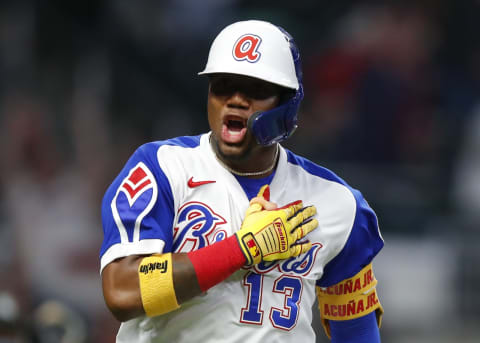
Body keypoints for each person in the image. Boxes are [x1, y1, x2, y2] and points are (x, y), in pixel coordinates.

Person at [100, 20, 384, 342]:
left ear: (288, 104)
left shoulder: (339, 203)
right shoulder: (162, 167)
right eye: (222, 86)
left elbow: (357, 334)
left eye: (256, 89)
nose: (235, 100)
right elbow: (122, 292)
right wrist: (242, 248)